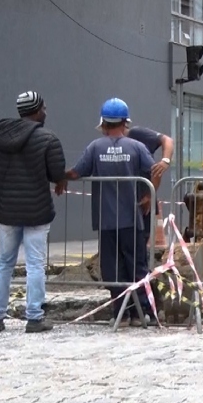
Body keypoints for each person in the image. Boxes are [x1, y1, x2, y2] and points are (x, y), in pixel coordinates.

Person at [0, 91, 67, 333]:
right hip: (37, 210)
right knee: (35, 264)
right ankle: (34, 317)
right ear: (38, 110)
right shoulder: (48, 138)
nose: (46, 111)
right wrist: (61, 180)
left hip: (6, 210)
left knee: (4, 263)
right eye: (44, 107)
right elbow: (56, 172)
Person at [65, 98, 155, 327]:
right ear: (125, 122)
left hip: (106, 220)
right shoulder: (137, 147)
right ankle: (142, 313)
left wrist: (57, 175)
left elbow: (77, 172)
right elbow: (153, 170)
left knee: (113, 269)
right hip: (132, 220)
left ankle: (120, 313)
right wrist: (148, 194)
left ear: (103, 123)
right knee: (138, 266)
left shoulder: (95, 147)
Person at [126, 126, 174, 243]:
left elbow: (167, 140)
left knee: (140, 240)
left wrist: (165, 161)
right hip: (129, 200)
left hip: (143, 199)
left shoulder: (136, 134)